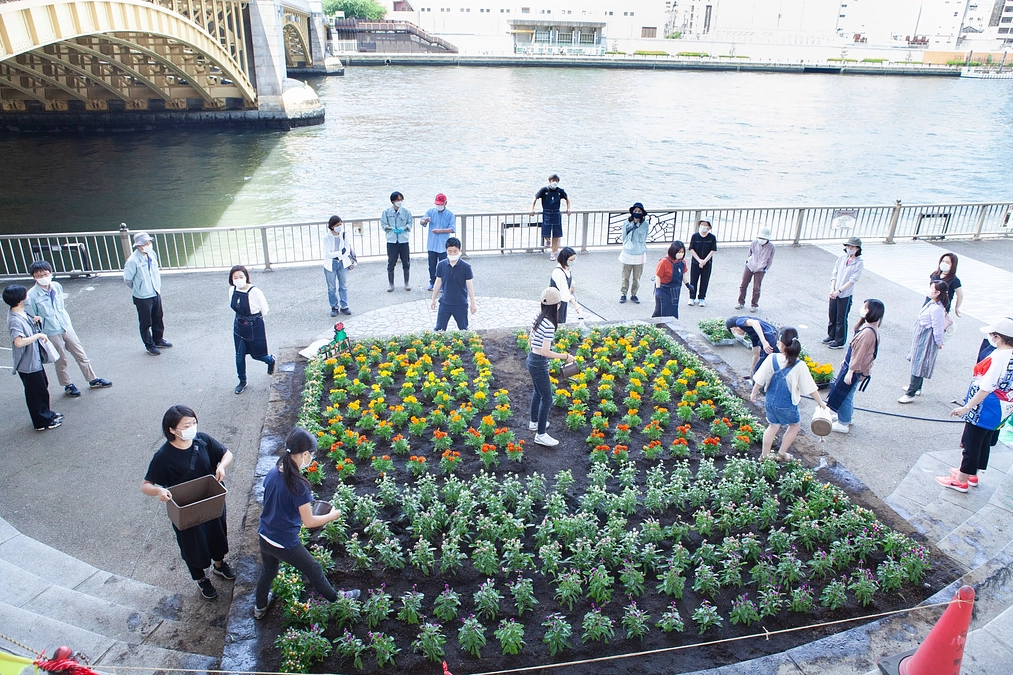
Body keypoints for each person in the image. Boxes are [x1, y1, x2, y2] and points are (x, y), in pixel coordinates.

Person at [254, 428, 360, 620]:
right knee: (313, 569)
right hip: (283, 541)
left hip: (264, 534)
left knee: (269, 570)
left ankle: (260, 607)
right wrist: (333, 515)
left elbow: (276, 500)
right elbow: (309, 521)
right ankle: (337, 599)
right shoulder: (298, 484)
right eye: (311, 454)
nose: (311, 458)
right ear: (304, 454)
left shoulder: (273, 471)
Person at [141, 405, 235, 601]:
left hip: (211, 501)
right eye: (186, 425)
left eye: (193, 423)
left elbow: (227, 454)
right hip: (185, 510)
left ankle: (219, 565)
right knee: (193, 545)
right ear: (172, 430)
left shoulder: (203, 440)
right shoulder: (163, 456)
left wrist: (222, 466)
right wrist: (159, 491)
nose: (192, 428)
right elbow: (146, 485)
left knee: (217, 534)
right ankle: (201, 579)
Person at [937, 318, 1013, 493]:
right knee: (983, 440)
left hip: (985, 406)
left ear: (999, 337)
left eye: (993, 335)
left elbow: (986, 387)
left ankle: (961, 480)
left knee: (972, 442)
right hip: (1002, 407)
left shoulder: (999, 356)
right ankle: (971, 473)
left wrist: (966, 407)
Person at [25, 260, 112, 397]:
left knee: (81, 354)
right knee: (61, 360)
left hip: (65, 325)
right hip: (50, 331)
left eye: (45, 274)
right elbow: (32, 318)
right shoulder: (32, 295)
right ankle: (67, 384)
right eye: (39, 275)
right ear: (34, 277)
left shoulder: (56, 286)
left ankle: (92, 379)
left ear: (51, 273)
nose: (43, 277)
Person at [750, 327, 828, 461]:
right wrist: (820, 402)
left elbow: (759, 378)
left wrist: (753, 393)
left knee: (773, 426)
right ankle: (782, 453)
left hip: (770, 401)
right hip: (787, 405)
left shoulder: (772, 358)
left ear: (780, 344)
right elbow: (810, 388)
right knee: (794, 425)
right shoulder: (800, 365)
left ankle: (764, 455)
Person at [4, 285, 62, 431]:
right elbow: (18, 342)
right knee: (35, 392)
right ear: (20, 299)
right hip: (27, 363)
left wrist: (35, 321)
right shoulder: (15, 320)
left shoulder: (20, 312)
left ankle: (46, 414)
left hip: (33, 360)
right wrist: (37, 335)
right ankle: (41, 421)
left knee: (42, 387)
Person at [827, 299, 884, 434]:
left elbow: (859, 354)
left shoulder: (867, 332)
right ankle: (846, 416)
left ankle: (843, 422)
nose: (862, 309)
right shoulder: (872, 329)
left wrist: (850, 370)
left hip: (855, 369)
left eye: (865, 307)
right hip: (858, 368)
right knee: (849, 393)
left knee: (844, 395)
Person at [527, 287, 575, 447]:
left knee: (538, 392)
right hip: (538, 361)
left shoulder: (539, 317)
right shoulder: (548, 324)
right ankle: (540, 435)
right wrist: (566, 357)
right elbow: (545, 351)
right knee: (547, 398)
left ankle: (534, 422)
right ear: (557, 305)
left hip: (532, 359)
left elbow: (531, 339)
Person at [899, 281, 949, 403]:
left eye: (932, 288)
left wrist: (938, 342)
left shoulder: (937, 308)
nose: (929, 290)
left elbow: (938, 328)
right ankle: (916, 387)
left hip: (926, 339)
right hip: (921, 336)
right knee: (918, 362)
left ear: (938, 293)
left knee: (919, 364)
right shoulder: (932, 303)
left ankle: (910, 392)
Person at [123, 232, 172, 356]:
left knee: (158, 317)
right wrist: (140, 288)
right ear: (138, 246)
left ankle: (158, 340)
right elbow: (128, 280)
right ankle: (149, 345)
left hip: (155, 291)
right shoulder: (132, 261)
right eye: (145, 243)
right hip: (142, 297)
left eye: (149, 243)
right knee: (146, 322)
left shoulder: (152, 255)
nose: (148, 245)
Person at [229, 266, 275, 395]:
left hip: (254, 325)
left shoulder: (255, 291)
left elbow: (264, 309)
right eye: (235, 277)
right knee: (239, 355)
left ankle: (271, 360)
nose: (238, 280)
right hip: (239, 325)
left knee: (258, 355)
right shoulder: (232, 290)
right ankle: (242, 381)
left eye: (241, 277)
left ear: (246, 277)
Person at [823, 237, 864, 349]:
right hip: (834, 292)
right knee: (832, 314)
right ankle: (831, 335)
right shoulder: (841, 258)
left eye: (852, 247)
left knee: (841, 317)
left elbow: (852, 280)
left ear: (857, 248)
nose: (849, 249)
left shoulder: (859, 263)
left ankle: (840, 340)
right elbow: (834, 274)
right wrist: (832, 289)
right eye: (848, 246)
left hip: (845, 294)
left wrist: (839, 291)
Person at [430, 237, 477, 331]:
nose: (452, 254)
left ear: (459, 250)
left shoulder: (466, 267)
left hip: (461, 303)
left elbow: (469, 285)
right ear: (446, 251)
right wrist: (433, 299)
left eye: (455, 251)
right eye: (449, 251)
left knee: (463, 329)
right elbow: (438, 282)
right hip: (445, 303)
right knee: (439, 329)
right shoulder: (441, 265)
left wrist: (473, 302)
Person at [420, 194, 456, 292]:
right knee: (431, 265)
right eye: (437, 204)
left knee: (444, 265)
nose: (439, 206)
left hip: (443, 245)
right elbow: (421, 222)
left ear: (445, 203)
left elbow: (452, 229)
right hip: (431, 244)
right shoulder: (430, 212)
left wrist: (440, 231)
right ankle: (432, 282)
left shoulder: (450, 214)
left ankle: (443, 283)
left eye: (441, 204)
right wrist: (425, 221)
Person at [530, 174, 570, 261]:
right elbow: (535, 197)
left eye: (556, 181)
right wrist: (532, 209)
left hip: (556, 213)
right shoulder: (544, 190)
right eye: (553, 180)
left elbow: (567, 198)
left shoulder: (560, 191)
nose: (554, 182)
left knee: (556, 235)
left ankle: (553, 253)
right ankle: (547, 240)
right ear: (550, 181)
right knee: (546, 232)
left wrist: (568, 208)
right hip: (546, 213)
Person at [737, 226, 775, 313]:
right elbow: (749, 253)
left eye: (763, 238)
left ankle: (754, 305)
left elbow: (770, 259)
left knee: (756, 287)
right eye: (760, 238)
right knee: (743, 284)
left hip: (761, 269)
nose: (761, 239)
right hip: (750, 265)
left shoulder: (771, 247)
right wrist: (749, 261)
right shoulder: (754, 243)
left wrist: (765, 268)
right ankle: (741, 302)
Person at [380, 191, 412, 292]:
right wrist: (391, 228)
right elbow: (383, 225)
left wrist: (404, 228)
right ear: (393, 201)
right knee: (391, 263)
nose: (400, 202)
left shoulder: (406, 212)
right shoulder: (386, 212)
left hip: (403, 240)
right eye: (398, 200)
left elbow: (410, 223)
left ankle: (406, 283)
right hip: (392, 241)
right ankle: (391, 284)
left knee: (406, 262)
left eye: (401, 200)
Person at [322, 215, 353, 317]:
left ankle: (344, 306)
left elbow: (347, 250)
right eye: (337, 225)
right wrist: (340, 252)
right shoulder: (327, 237)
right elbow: (328, 253)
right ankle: (334, 307)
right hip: (330, 264)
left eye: (340, 224)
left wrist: (340, 253)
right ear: (332, 226)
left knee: (343, 286)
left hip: (342, 263)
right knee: (331, 288)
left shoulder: (343, 235)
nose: (339, 227)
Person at [618, 203, 649, 304]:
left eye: (639, 212)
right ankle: (623, 294)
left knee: (637, 277)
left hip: (639, 253)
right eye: (635, 211)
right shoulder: (626, 223)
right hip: (628, 253)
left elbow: (643, 236)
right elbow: (624, 237)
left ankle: (634, 294)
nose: (637, 213)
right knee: (625, 276)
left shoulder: (645, 224)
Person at [652, 240, 688, 319]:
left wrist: (687, 284)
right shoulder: (664, 261)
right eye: (679, 252)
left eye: (682, 252)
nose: (681, 254)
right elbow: (658, 276)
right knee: (661, 310)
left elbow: (683, 273)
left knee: (673, 311)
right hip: (664, 289)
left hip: (675, 290)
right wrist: (658, 289)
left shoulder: (682, 262)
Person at [688, 220, 717, 307]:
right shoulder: (695, 236)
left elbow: (713, 250)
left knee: (704, 280)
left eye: (705, 225)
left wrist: (704, 261)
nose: (703, 226)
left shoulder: (712, 237)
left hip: (707, 263)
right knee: (693, 280)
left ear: (709, 227)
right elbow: (691, 249)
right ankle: (692, 297)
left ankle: (702, 298)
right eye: (702, 224)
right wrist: (699, 260)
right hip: (695, 262)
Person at [550, 247, 582, 323]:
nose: (573, 262)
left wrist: (573, 285)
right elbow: (564, 291)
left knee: (562, 320)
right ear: (564, 260)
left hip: (563, 301)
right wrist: (575, 304)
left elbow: (569, 278)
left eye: (574, 259)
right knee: (557, 322)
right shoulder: (558, 272)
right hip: (555, 302)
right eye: (571, 260)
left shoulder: (567, 268)